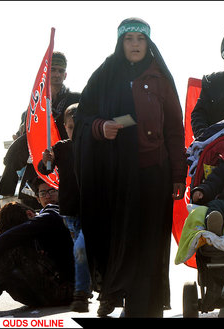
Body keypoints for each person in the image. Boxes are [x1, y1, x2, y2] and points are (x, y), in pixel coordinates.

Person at [73, 17, 186, 318]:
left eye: (140, 38)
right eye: (129, 39)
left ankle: (144, 308)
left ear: (148, 43)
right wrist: (101, 127)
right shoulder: (104, 75)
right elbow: (83, 120)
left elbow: (176, 130)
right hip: (114, 177)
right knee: (118, 241)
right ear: (120, 43)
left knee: (150, 245)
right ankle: (115, 294)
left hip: (153, 174)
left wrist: (178, 175)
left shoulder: (161, 78)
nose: (135, 44)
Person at [0, 51, 80, 210]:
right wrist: (22, 132)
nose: (56, 74)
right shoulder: (34, 107)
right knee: (30, 206)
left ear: (65, 74)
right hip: (38, 165)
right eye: (53, 70)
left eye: (60, 71)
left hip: (66, 162)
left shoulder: (76, 100)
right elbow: (23, 130)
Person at [37, 104, 91, 313]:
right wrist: (45, 160)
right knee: (80, 251)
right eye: (70, 127)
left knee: (81, 248)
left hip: (92, 209)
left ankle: (81, 293)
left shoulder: (95, 147)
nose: (74, 131)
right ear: (64, 127)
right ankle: (84, 288)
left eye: (78, 126)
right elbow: (44, 169)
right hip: (70, 211)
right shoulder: (61, 148)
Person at [0, 201, 74, 308]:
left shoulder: (51, 216)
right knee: (7, 272)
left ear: (30, 214)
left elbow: (10, 237)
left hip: (67, 290)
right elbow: (12, 234)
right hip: (43, 294)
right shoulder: (33, 223)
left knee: (12, 250)